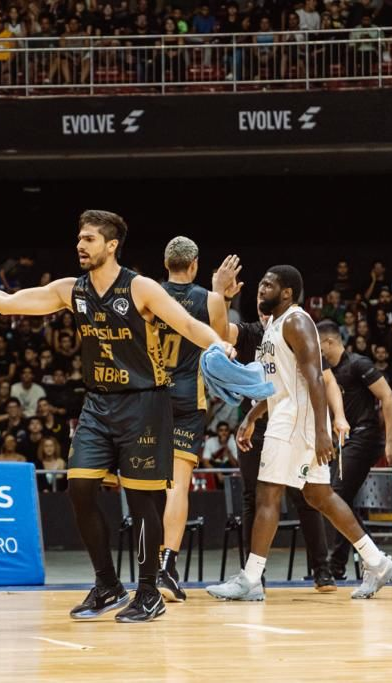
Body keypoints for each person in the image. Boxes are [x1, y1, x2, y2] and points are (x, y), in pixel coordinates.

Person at [0, 209, 236, 623]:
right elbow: (7, 303)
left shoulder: (141, 288)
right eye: (79, 238)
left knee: (144, 500)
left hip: (144, 403)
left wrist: (220, 345)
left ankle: (149, 591)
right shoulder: (71, 289)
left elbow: (186, 323)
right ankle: (107, 584)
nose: (80, 245)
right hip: (98, 403)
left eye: (89, 239)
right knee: (79, 489)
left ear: (111, 246)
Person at [207, 266, 392, 602]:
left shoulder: (297, 321)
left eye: (268, 284)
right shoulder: (273, 327)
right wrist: (252, 415)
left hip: (296, 421)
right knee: (319, 496)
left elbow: (315, 377)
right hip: (290, 416)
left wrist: (321, 431)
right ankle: (376, 561)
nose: (260, 288)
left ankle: (251, 578)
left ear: (286, 292)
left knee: (267, 493)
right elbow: (278, 386)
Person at [153, 237, 230, 603]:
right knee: (177, 488)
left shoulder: (147, 293)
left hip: (148, 398)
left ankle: (145, 569)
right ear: (195, 264)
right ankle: (166, 567)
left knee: (145, 488)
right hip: (187, 399)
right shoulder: (209, 300)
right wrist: (222, 296)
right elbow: (225, 341)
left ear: (166, 263)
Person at [316, 320, 392, 580]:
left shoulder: (358, 364)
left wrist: (391, 439)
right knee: (340, 499)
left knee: (335, 494)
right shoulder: (327, 371)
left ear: (329, 342)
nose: (316, 351)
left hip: (364, 437)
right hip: (343, 441)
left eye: (318, 345)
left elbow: (387, 397)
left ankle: (362, 559)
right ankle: (347, 564)